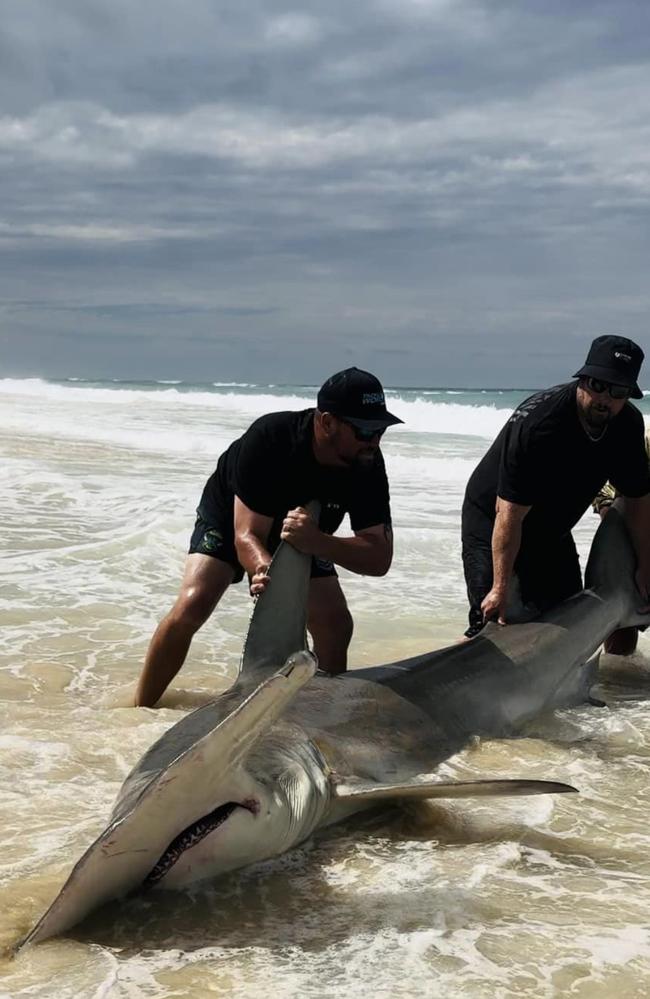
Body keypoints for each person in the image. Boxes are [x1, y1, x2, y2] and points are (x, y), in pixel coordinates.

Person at [135, 367, 402, 707]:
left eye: (380, 429)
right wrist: (262, 568)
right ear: (327, 422)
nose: (373, 441)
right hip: (231, 518)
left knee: (335, 623)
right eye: (364, 429)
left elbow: (379, 558)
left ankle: (321, 715)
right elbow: (246, 534)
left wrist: (316, 541)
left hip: (305, 533)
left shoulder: (367, 464)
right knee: (193, 604)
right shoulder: (272, 438)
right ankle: (141, 708)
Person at [461, 335, 650, 640]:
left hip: (551, 529)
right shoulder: (540, 425)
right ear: (582, 380)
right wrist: (500, 588)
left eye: (617, 391)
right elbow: (508, 515)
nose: (604, 399)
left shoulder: (626, 426)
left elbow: (638, 501)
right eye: (598, 385)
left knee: (570, 624)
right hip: (493, 520)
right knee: (491, 627)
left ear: (628, 394)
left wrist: (645, 563)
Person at [591, 426, 650, 655]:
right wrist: (609, 511)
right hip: (627, 536)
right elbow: (599, 480)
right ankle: (618, 683)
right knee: (619, 620)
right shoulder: (640, 441)